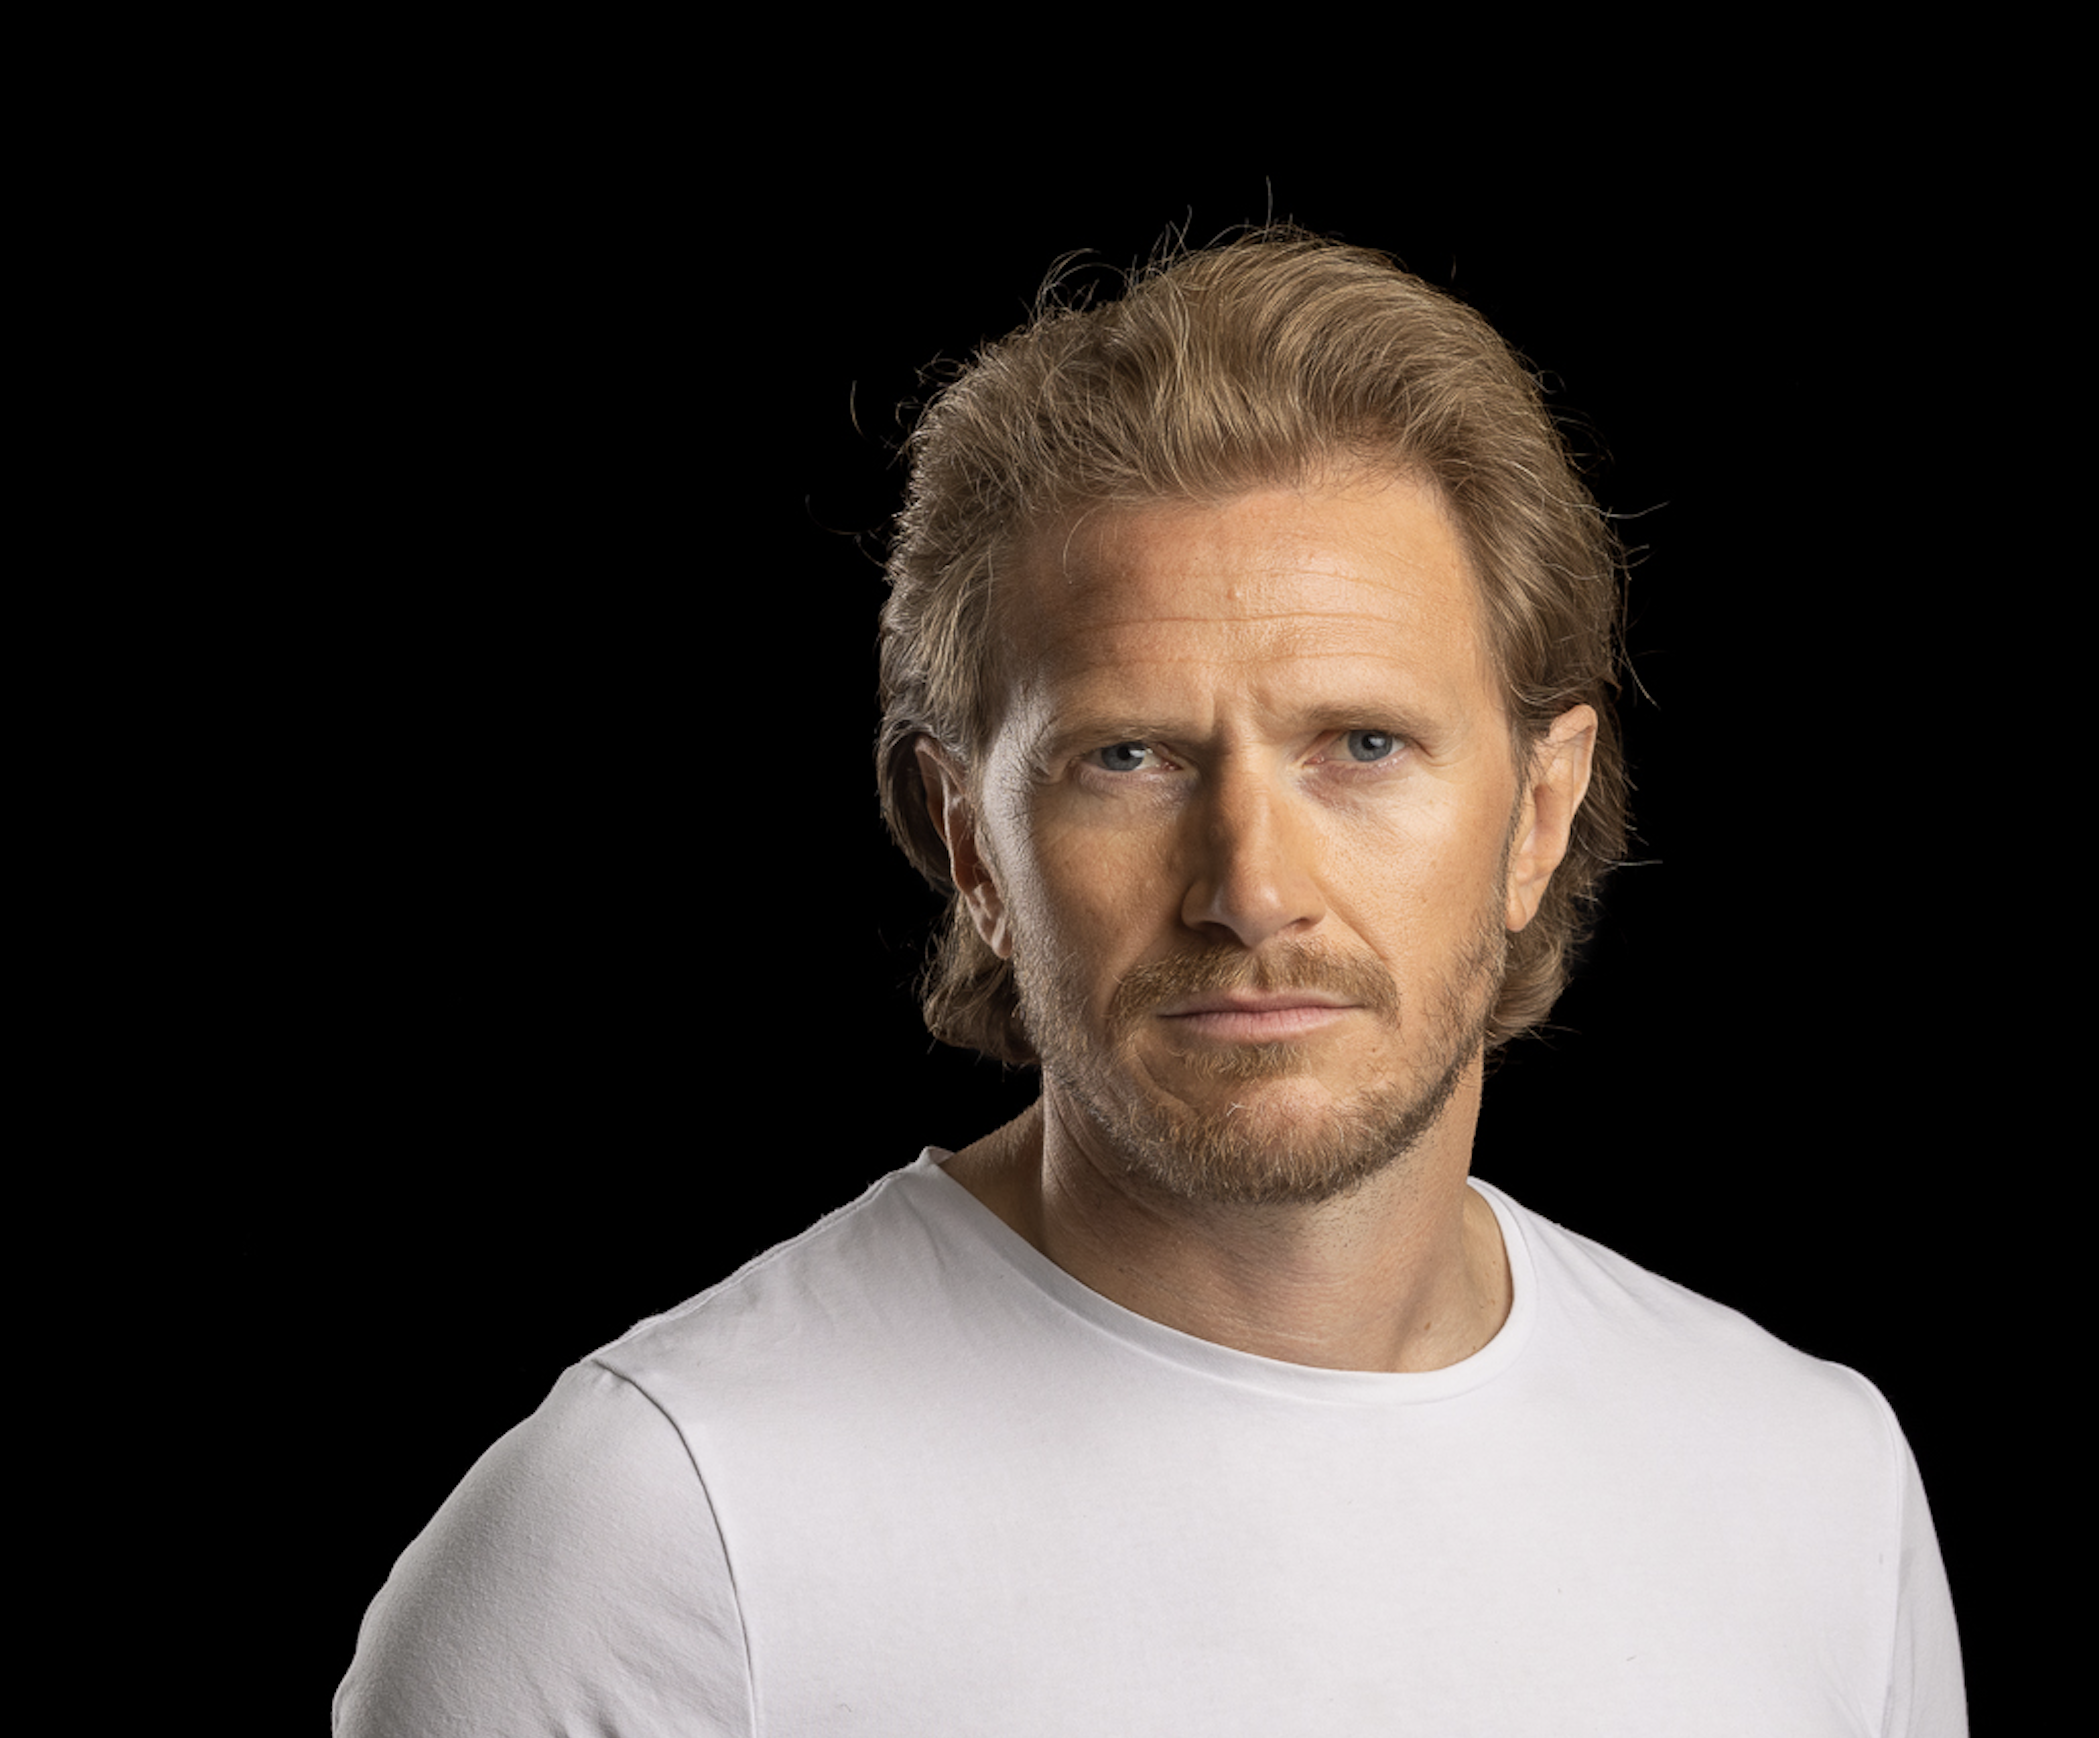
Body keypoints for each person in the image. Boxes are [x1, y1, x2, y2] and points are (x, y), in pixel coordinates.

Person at [334, 230, 1967, 1735]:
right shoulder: (658, 1529)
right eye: (1127, 756)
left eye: (1362, 743)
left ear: (1537, 816)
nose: (1250, 886)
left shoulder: (1807, 1483)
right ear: (969, 841)